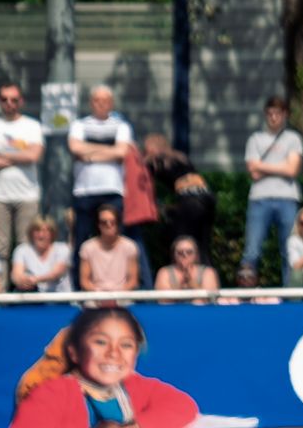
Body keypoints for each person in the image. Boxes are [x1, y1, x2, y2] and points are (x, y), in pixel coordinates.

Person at [6, 306, 200, 428]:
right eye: (100, 342)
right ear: (74, 352)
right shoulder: (53, 393)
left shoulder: (134, 386)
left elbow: (183, 405)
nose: (113, 353)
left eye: (125, 345)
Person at [0, 83, 44, 267]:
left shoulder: (32, 126)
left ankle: (26, 290)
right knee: (0, 249)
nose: (9, 103)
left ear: (20, 102)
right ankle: (1, 293)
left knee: (27, 247)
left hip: (28, 196)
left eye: (14, 100)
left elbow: (34, 155)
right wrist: (20, 157)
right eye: (5, 99)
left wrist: (3, 155)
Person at [242, 96, 303, 275]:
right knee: (252, 249)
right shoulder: (255, 138)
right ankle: (247, 293)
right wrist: (281, 166)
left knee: (290, 250)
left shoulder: (293, 138)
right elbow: (253, 172)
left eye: (277, 113)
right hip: (259, 199)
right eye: (270, 114)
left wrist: (262, 166)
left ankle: (291, 296)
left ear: (284, 115)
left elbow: (292, 170)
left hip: (288, 198)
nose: (273, 117)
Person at [68, 86, 133, 251]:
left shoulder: (121, 126)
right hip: (84, 191)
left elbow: (122, 151)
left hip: (113, 190)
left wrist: (89, 155)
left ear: (111, 103)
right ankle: (80, 277)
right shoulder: (79, 124)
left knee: (115, 240)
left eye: (105, 100)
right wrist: (110, 150)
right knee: (81, 241)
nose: (101, 104)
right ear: (91, 103)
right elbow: (75, 148)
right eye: (97, 100)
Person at [143, 135, 215, 259]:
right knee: (202, 245)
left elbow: (141, 171)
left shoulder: (157, 160)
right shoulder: (180, 157)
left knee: (180, 242)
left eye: (146, 148)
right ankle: (207, 274)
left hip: (190, 201)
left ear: (153, 148)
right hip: (207, 197)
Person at [77, 206, 141, 293]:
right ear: (98, 224)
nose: (109, 225)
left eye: (112, 222)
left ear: (118, 223)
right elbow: (84, 281)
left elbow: (133, 281)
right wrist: (99, 295)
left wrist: (117, 296)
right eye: (104, 222)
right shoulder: (87, 247)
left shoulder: (130, 246)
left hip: (122, 298)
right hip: (95, 299)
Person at [11, 216, 74, 293]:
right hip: (32, 299)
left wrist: (35, 279)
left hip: (60, 300)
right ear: (31, 233)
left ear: (52, 233)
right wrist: (22, 281)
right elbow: (16, 275)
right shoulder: (21, 250)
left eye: (45, 231)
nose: (41, 235)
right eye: (37, 231)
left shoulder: (62, 249)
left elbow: (57, 272)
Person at [153, 236, 219, 296]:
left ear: (196, 254)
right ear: (174, 255)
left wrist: (193, 284)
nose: (185, 256)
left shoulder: (208, 272)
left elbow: (210, 299)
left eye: (189, 252)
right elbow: (162, 300)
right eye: (180, 253)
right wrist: (180, 287)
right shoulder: (164, 272)